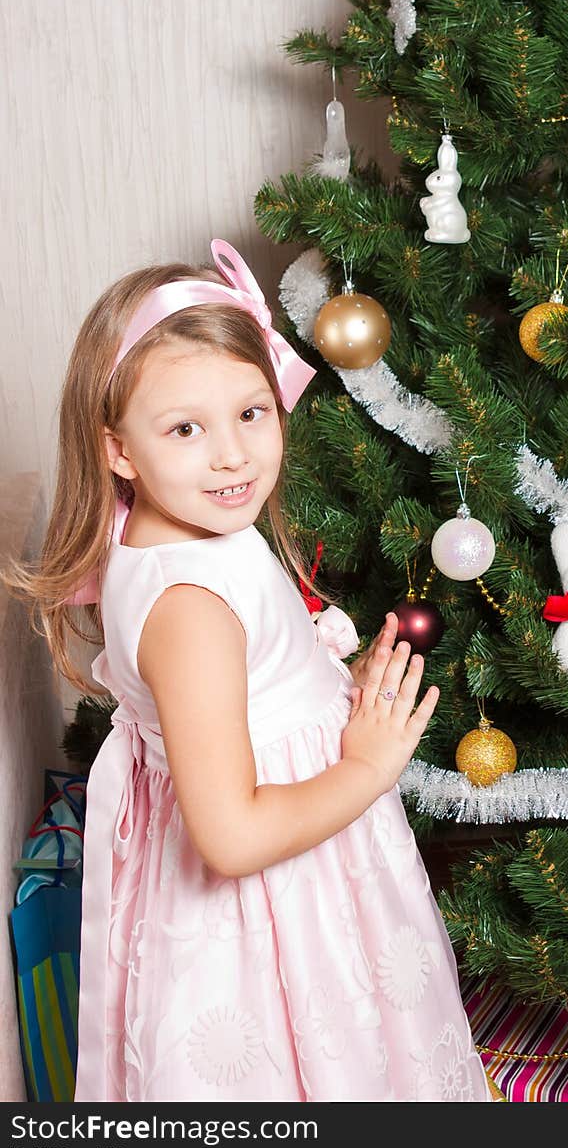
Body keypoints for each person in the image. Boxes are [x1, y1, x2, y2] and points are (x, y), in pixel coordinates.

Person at [5, 240, 493, 1102]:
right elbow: (231, 839)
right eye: (185, 428)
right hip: (270, 921)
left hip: (306, 879)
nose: (232, 455)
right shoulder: (188, 608)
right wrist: (367, 765)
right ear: (119, 450)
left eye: (251, 412)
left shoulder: (190, 536)